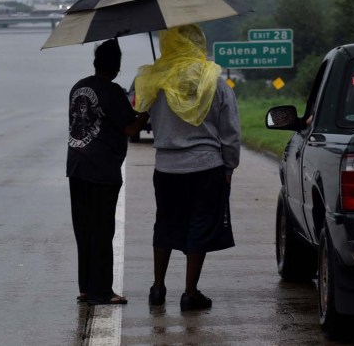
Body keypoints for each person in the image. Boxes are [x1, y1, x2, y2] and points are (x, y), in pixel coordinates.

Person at [134, 24, 241, 311]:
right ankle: (190, 292)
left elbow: (140, 113)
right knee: (200, 224)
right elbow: (230, 129)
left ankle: (158, 288)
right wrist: (229, 165)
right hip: (206, 166)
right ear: (198, 42)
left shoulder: (154, 79)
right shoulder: (213, 79)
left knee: (166, 223)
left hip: (167, 167)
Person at [67, 38, 148, 305]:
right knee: (103, 230)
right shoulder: (113, 91)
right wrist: (147, 109)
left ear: (95, 62)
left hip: (77, 167)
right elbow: (131, 129)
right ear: (117, 66)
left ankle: (86, 288)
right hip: (102, 171)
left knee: (84, 230)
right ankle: (102, 291)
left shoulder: (78, 88)